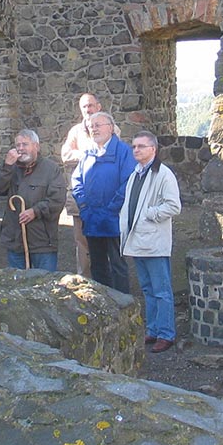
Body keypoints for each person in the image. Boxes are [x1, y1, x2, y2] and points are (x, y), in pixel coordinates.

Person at [119, 131, 181, 353]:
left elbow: (174, 206)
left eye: (141, 146)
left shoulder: (164, 174)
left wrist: (149, 213)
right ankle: (153, 329)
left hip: (154, 241)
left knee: (162, 289)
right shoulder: (136, 173)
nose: (136, 150)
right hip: (138, 240)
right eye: (134, 146)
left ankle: (166, 334)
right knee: (147, 288)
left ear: (153, 150)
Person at [71, 111, 135, 293]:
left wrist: (111, 209)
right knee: (97, 264)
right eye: (91, 126)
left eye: (98, 125)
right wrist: (83, 207)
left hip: (114, 218)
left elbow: (127, 183)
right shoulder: (88, 153)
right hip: (91, 218)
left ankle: (123, 303)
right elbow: (77, 181)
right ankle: (104, 303)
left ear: (111, 128)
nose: (94, 129)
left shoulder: (123, 152)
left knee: (117, 264)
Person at [0, 128, 65, 272]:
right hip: (15, 238)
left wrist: (35, 211)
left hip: (42, 240)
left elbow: (57, 200)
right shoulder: (11, 168)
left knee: (45, 285)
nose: (20, 149)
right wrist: (6, 166)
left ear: (36, 146)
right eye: (17, 145)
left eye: (25, 144)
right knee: (18, 285)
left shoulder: (51, 169)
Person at [60, 92, 101, 276]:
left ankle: (105, 280)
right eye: (84, 106)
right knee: (81, 241)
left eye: (91, 105)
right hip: (79, 197)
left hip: (103, 197)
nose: (88, 109)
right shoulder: (75, 131)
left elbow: (107, 154)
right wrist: (85, 154)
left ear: (98, 106)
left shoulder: (110, 127)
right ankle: (85, 280)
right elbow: (65, 155)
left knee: (104, 240)